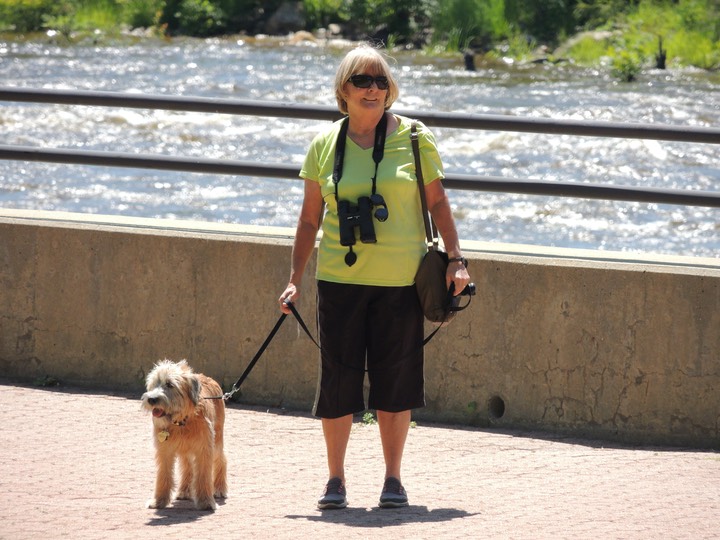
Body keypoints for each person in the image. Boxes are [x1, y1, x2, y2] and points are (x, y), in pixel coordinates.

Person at [278, 43, 470, 510]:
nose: (373, 89)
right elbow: (308, 221)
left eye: (381, 81)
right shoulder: (325, 145)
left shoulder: (415, 138)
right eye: (363, 81)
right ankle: (336, 480)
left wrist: (457, 258)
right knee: (338, 383)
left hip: (401, 283)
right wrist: (294, 278)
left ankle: (393, 479)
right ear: (343, 90)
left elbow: (438, 202)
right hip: (339, 284)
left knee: (395, 382)